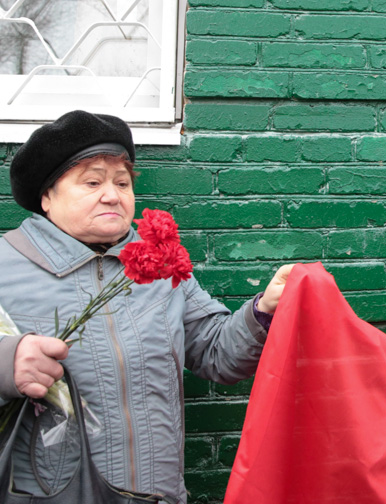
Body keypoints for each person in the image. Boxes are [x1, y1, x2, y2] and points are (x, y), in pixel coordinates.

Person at [0, 110, 293, 502]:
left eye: (122, 182)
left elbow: (217, 354)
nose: (112, 195)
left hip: (157, 493)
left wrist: (264, 309)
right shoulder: (6, 267)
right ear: (47, 197)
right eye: (92, 181)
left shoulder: (160, 268)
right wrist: (6, 364)